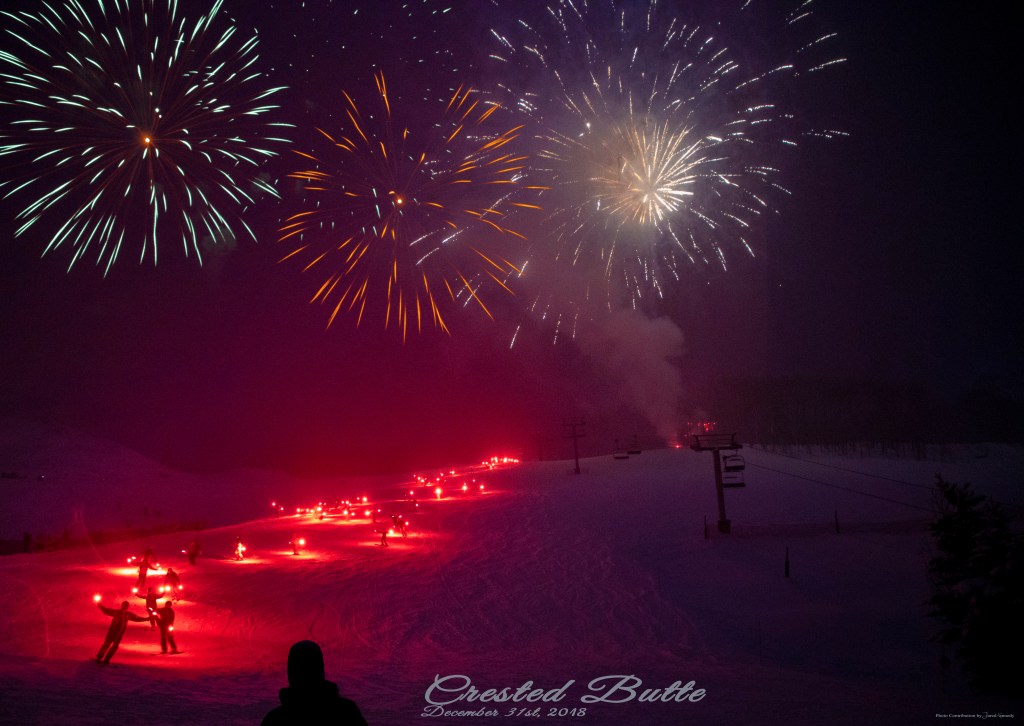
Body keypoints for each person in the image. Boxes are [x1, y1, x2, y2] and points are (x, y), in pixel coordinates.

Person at [260, 640, 367, 726]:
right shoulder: (347, 712)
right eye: (300, 668)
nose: (305, 674)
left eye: (308, 668)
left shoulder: (275, 719)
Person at [95, 600, 149, 665]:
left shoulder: (127, 614)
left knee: (114, 646)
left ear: (127, 607)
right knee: (107, 644)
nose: (125, 607)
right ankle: (99, 657)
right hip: (112, 632)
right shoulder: (117, 612)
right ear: (122, 605)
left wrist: (146, 619)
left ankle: (106, 659)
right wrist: (101, 606)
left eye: (126, 606)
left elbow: (137, 618)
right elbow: (107, 610)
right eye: (124, 605)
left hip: (119, 634)